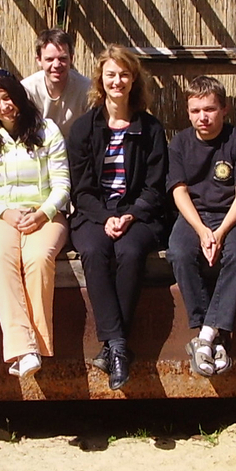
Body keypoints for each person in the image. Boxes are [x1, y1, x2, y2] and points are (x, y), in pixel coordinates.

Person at [67, 44, 168, 391]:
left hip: (139, 215)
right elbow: (81, 189)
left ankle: (112, 347)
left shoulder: (150, 129)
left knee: (130, 251)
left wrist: (129, 215)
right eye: (111, 74)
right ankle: (119, 345)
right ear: (100, 79)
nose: (117, 81)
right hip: (93, 214)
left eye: (124, 74)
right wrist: (107, 216)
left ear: (134, 79)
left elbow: (155, 187)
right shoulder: (83, 128)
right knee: (94, 251)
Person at [0, 69, 70, 379]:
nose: (4, 106)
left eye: (7, 98)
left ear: (19, 96)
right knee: (2, 258)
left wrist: (43, 212)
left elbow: (62, 185)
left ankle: (37, 346)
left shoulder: (47, 131)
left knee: (38, 258)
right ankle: (23, 349)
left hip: (43, 212)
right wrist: (4, 212)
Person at [166, 76, 236, 377]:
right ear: (188, 112)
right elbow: (179, 191)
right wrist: (203, 231)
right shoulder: (179, 143)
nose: (202, 117)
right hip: (194, 216)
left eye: (209, 109)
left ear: (224, 109)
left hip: (231, 216)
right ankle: (213, 332)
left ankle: (204, 337)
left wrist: (220, 232)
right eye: (195, 111)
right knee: (179, 252)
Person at [21, 28, 92, 138]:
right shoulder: (27, 89)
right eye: (49, 59)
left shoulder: (86, 89)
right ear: (39, 60)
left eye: (62, 58)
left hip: (76, 145)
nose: (56, 65)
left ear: (71, 58)